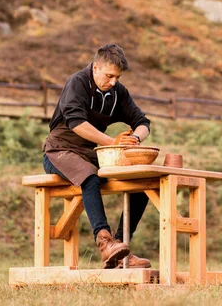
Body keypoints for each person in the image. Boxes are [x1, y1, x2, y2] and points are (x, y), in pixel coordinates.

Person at [42, 44, 152, 269]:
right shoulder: (78, 83)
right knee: (90, 176)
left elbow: (143, 122)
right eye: (109, 75)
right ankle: (105, 243)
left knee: (142, 185)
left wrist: (136, 140)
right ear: (95, 68)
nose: (113, 82)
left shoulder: (117, 92)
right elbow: (77, 124)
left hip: (91, 153)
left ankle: (120, 250)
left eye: (117, 77)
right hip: (59, 150)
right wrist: (114, 143)